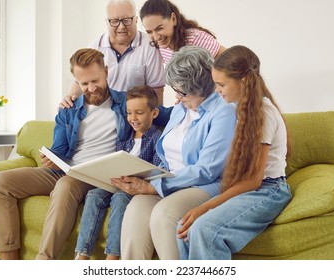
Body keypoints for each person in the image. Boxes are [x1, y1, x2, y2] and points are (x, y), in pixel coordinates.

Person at [0, 48, 171, 260]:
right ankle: (9, 263)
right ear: (76, 81)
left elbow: (170, 113)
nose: (91, 88)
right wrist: (52, 158)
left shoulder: (126, 104)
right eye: (84, 84)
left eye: (95, 81)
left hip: (97, 175)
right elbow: (60, 149)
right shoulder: (69, 109)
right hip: (67, 169)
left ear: (106, 72)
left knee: (65, 185)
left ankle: (44, 261)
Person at [111, 46, 237, 260]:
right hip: (168, 179)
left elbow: (207, 169)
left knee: (164, 214)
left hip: (204, 185)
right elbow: (147, 112)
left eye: (182, 91)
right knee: (135, 210)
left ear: (200, 88)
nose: (176, 96)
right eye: (175, 90)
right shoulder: (181, 107)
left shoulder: (223, 112)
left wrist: (154, 186)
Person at [176, 45, 292, 260]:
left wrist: (204, 208)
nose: (218, 90)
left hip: (269, 190)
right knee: (184, 227)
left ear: (244, 81)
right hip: (249, 188)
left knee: (205, 230)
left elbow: (253, 181)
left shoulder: (263, 114)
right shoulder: (237, 109)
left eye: (221, 84)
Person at [74, 85, 162, 260]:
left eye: (139, 112)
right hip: (118, 183)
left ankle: (113, 256)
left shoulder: (157, 137)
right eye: (129, 113)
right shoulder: (126, 137)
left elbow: (158, 169)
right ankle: (82, 254)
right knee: (93, 195)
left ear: (154, 113)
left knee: (120, 199)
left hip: (136, 189)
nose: (133, 118)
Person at [63, 0, 165, 107]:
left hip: (136, 115)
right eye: (114, 21)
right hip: (104, 113)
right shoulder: (95, 47)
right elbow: (82, 81)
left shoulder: (150, 46)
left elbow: (156, 92)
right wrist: (70, 97)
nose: (121, 27)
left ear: (136, 20)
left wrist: (156, 121)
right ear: (107, 22)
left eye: (126, 20)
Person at [139, 0, 226, 64]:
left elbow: (231, 59)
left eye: (159, 28)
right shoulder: (162, 48)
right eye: (149, 32)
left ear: (173, 19)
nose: (156, 37)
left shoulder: (195, 38)